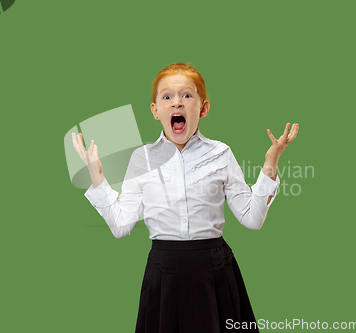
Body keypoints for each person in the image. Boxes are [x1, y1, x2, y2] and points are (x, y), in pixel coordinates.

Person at [72, 63, 299, 332]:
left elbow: (253, 219)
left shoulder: (221, 154)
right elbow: (121, 226)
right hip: (163, 273)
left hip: (214, 271)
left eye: (187, 95)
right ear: (156, 111)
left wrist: (270, 164)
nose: (176, 102)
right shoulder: (141, 158)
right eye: (167, 96)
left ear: (203, 108)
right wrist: (97, 176)